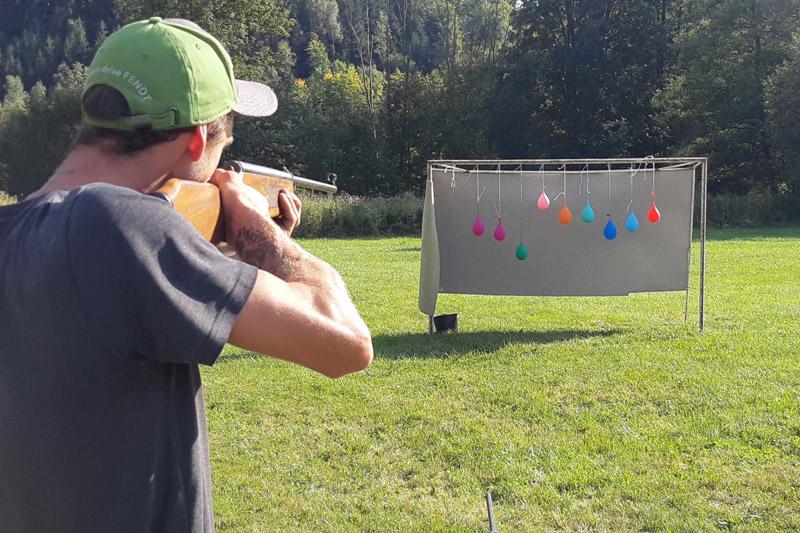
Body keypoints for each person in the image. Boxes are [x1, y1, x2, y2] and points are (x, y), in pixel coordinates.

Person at [0, 17, 373, 532]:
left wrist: (225, 245)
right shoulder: (122, 224)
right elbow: (345, 343)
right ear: (198, 140)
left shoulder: (22, 232)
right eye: (227, 139)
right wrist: (265, 236)